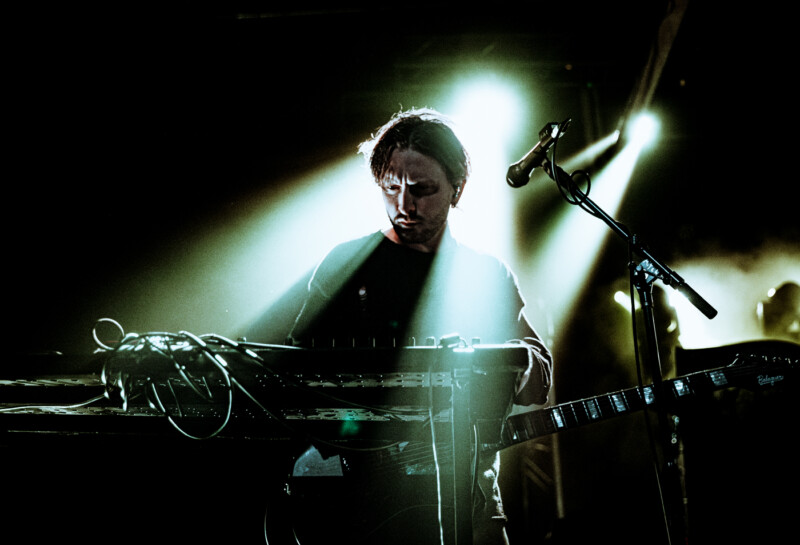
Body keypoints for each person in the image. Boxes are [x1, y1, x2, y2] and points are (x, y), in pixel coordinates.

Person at [285, 107, 553, 545]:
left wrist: (520, 364)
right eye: (391, 188)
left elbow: (536, 386)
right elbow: (295, 377)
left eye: (422, 189)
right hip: (360, 504)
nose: (404, 205)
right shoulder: (345, 266)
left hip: (469, 500)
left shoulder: (485, 274)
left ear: (456, 188)